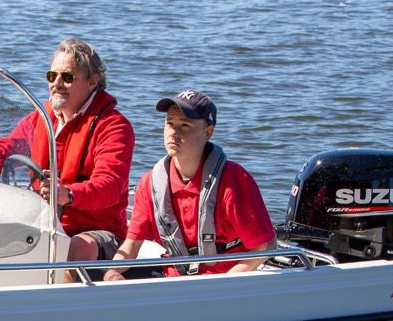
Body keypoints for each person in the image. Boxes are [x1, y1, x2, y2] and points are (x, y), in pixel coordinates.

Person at [0, 38, 134, 272]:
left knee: (77, 247)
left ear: (92, 81)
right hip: (43, 222)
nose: (56, 83)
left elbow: (110, 186)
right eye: (51, 76)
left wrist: (69, 194)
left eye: (67, 77)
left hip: (95, 231)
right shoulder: (42, 118)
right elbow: (6, 151)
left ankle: (62, 303)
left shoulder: (114, 127)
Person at [107, 90, 278, 278]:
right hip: (175, 282)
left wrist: (224, 284)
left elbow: (265, 246)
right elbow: (131, 245)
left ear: (208, 132)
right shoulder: (150, 184)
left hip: (224, 283)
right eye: (170, 123)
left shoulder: (233, 180)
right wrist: (112, 272)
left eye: (185, 125)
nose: (174, 132)